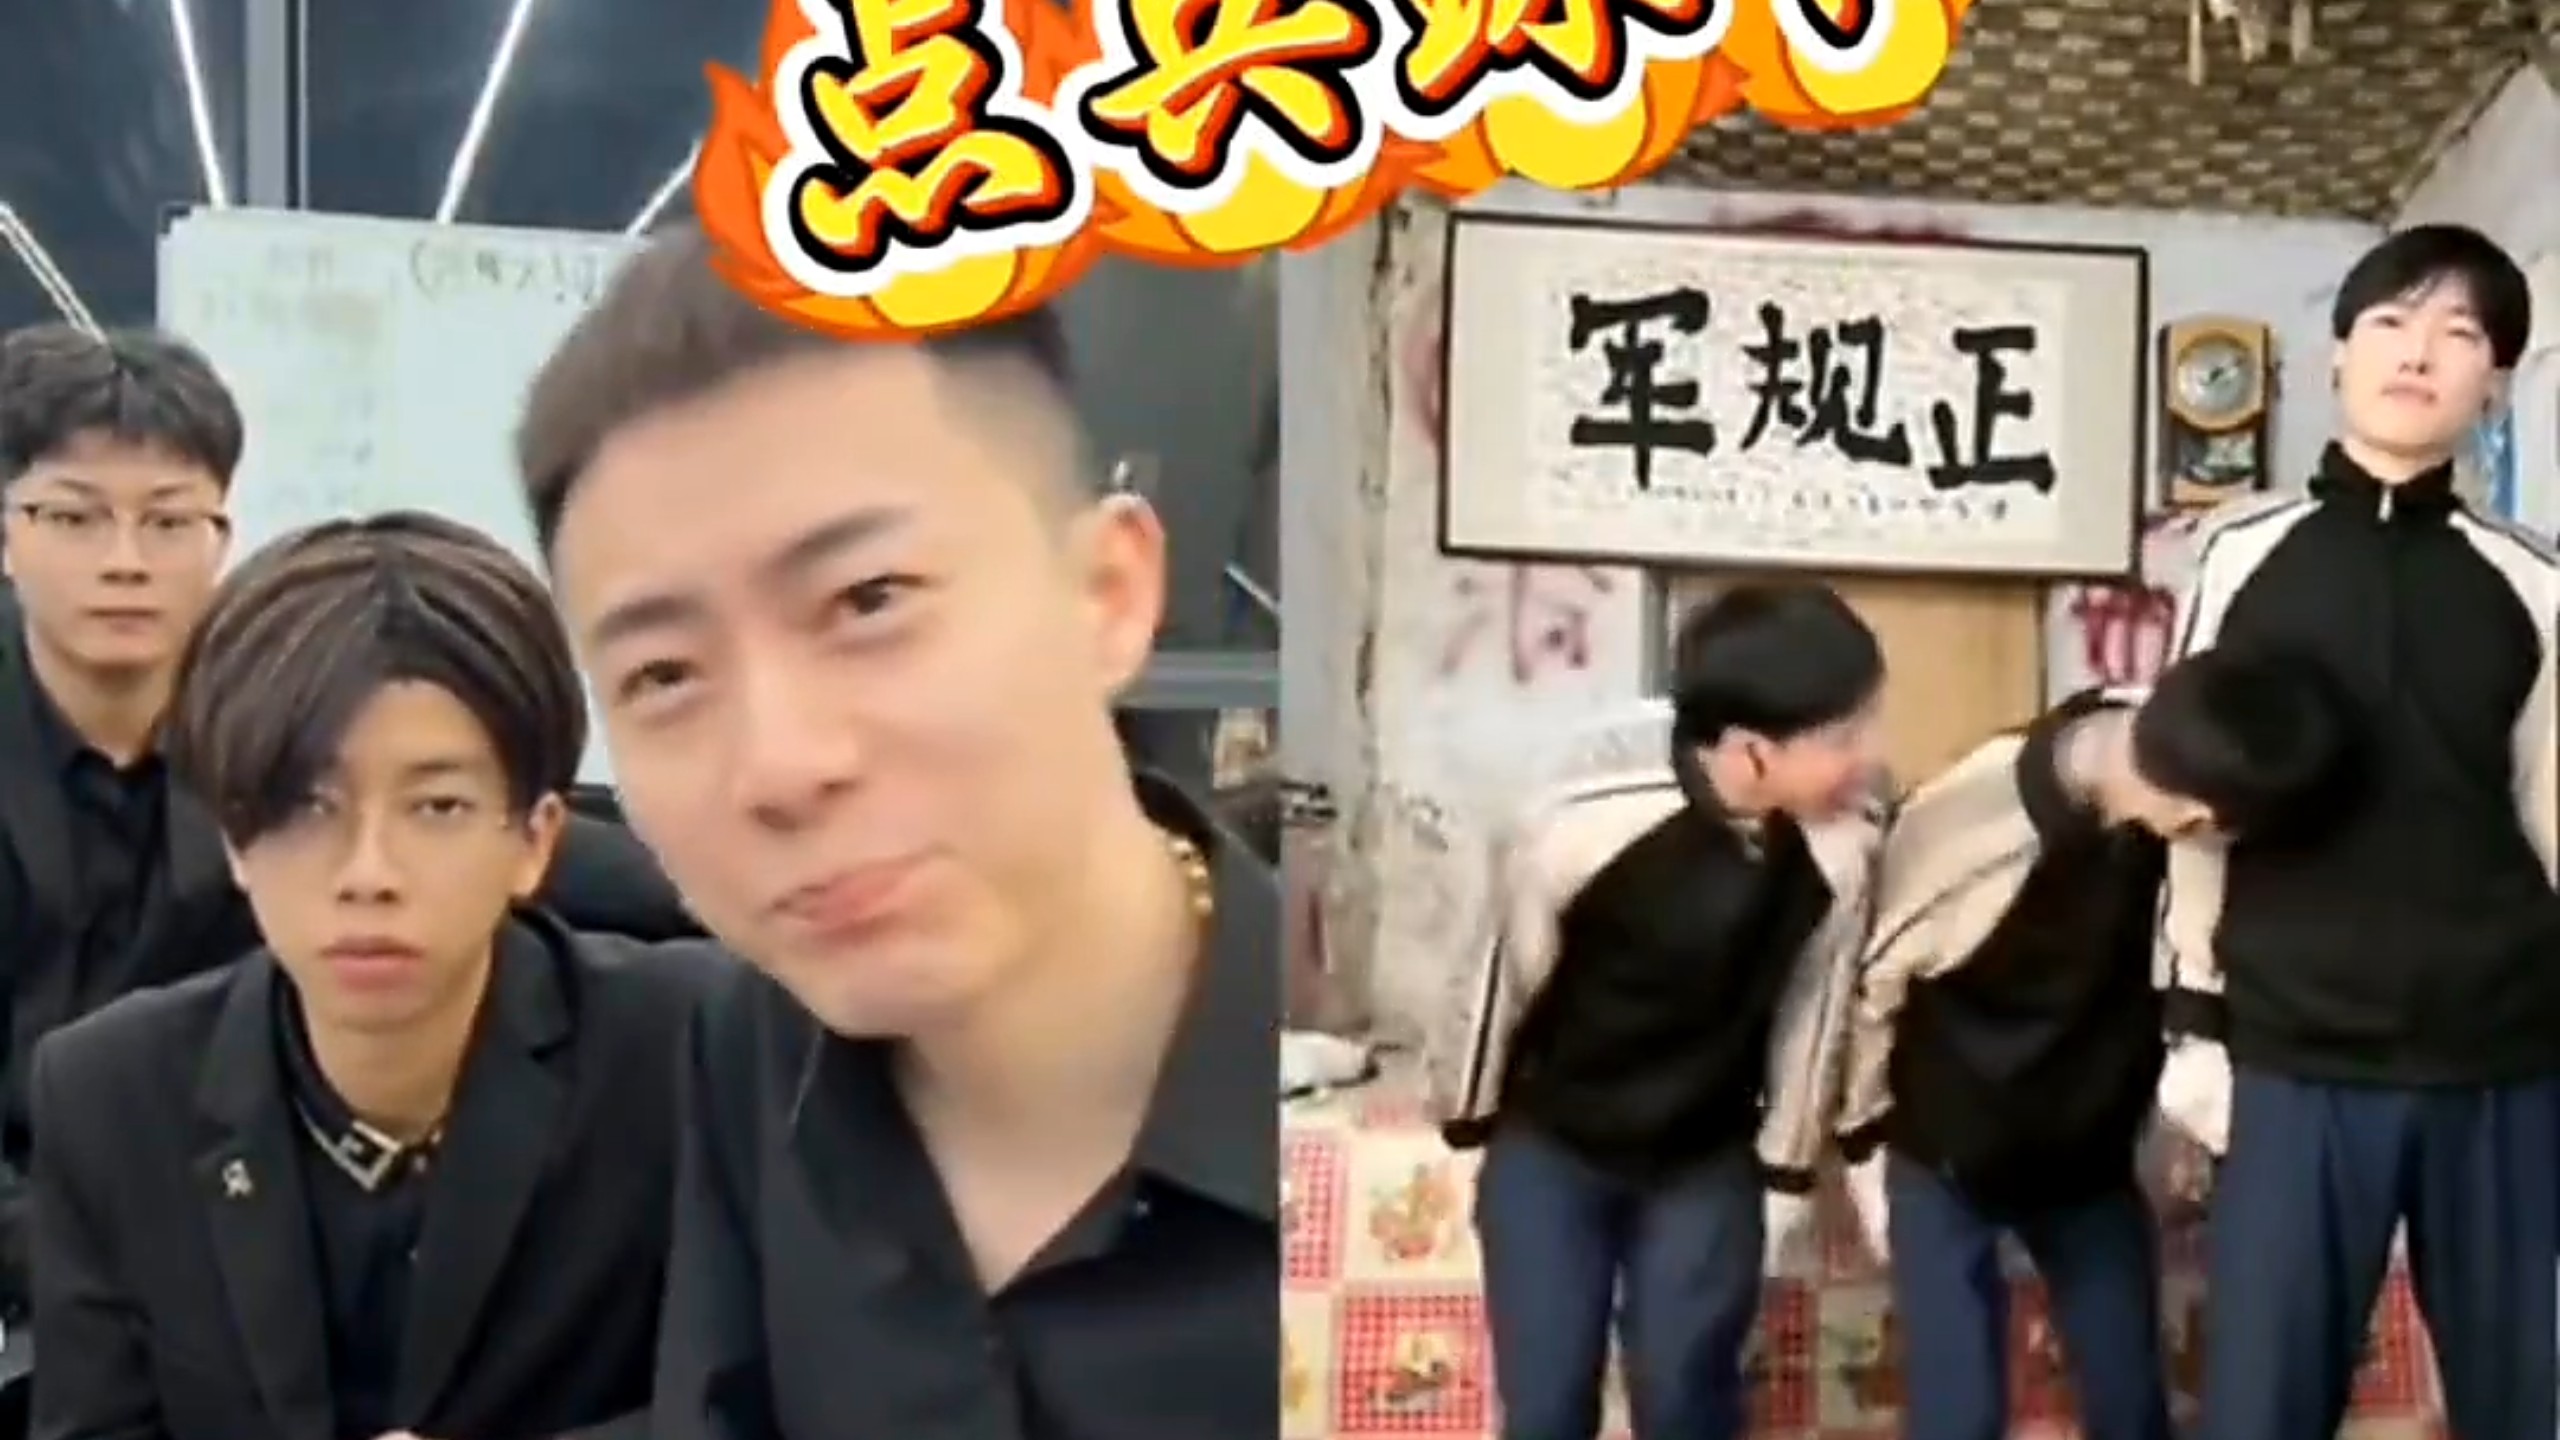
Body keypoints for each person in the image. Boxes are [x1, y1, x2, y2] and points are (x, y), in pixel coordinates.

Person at [514, 225, 1277, 1439]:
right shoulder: (755, 1049)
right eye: (663, 675)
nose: (779, 766)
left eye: (869, 600)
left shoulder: (1393, 1159)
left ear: (1107, 595)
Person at [0, 323, 701, 1396]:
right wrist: (98, 1234)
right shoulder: (268, 734)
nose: (126, 560)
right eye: (74, 516)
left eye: (170, 519)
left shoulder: (290, 710)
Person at [2149, 224, 2558, 1440]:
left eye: (2458, 333)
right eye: (2388, 321)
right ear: (2336, 356)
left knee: (2516, 1401)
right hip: (2295, 1053)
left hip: (2500, 1052)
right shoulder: (2240, 555)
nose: (2417, 353)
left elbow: (2549, 811)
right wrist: (2191, 1022)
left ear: (2494, 381)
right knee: (2263, 1406)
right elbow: (2186, 799)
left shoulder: (2532, 580)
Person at [1832, 649, 2352, 1440]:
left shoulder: (2176, 746)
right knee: (1957, 1416)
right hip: (1945, 1154)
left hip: (2088, 1161)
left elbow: (2196, 963)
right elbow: (1873, 988)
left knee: (2131, 1408)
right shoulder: (1969, 820)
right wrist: (1863, 1140)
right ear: (2198, 817)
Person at [1426, 582, 1886, 1440]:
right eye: (1842, 738)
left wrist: (1785, 1173)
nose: (1869, 757)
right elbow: (1498, 983)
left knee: (1686, 1397)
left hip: (1703, 1160)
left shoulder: (1845, 848)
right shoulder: (1579, 827)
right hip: (1554, 1148)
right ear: (1752, 752)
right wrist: (1466, 1132)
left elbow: (1813, 1014)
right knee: (1548, 1403)